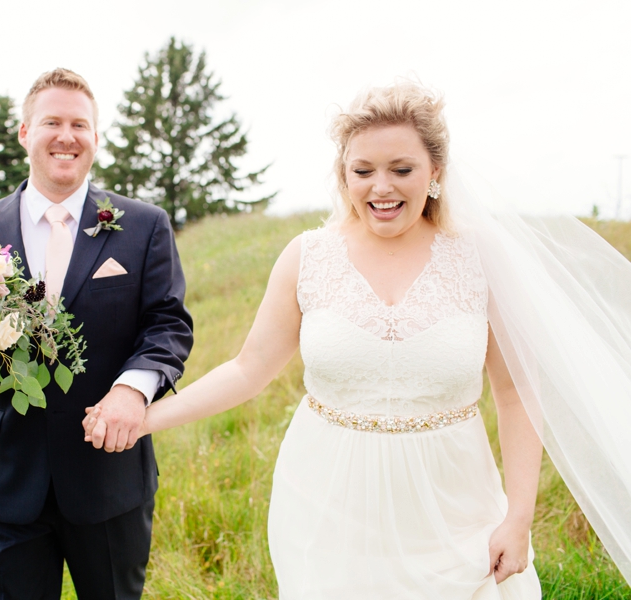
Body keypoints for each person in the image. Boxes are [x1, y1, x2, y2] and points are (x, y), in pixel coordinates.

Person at [84, 82, 547, 598]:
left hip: (455, 507)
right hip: (329, 506)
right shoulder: (308, 257)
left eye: (402, 169)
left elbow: (516, 394)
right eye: (363, 171)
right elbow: (248, 369)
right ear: (343, 175)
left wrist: (519, 517)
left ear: (435, 171)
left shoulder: (480, 260)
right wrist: (144, 417)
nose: (381, 188)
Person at [0, 68, 194, 599]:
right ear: (24, 133)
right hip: (7, 478)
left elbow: (167, 325)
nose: (66, 135)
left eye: (80, 124)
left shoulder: (144, 225)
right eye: (51, 121)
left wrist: (133, 390)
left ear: (96, 138)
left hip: (109, 476)